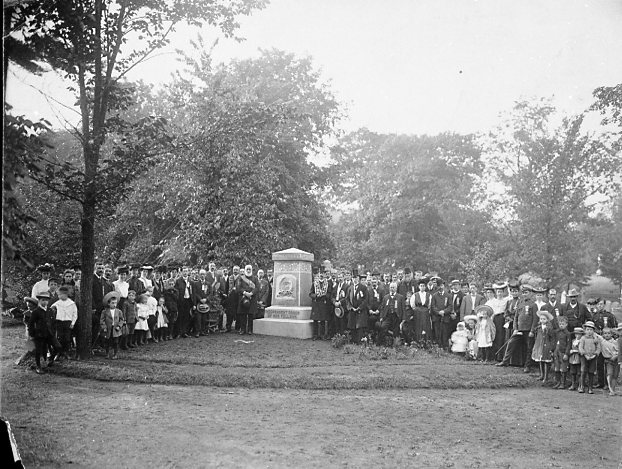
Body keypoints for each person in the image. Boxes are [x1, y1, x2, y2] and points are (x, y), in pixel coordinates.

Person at [497, 284, 536, 372]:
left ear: (530, 293)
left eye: (526, 293)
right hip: (519, 330)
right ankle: (505, 361)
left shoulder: (533, 304)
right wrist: (515, 328)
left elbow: (535, 319)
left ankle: (527, 366)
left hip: (528, 330)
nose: (525, 294)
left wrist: (532, 330)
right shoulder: (520, 304)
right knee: (510, 343)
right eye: (523, 293)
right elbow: (516, 318)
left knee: (529, 348)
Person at [27, 291, 61, 374]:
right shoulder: (36, 312)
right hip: (39, 335)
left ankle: (50, 359)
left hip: (49, 334)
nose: (44, 302)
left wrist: (53, 331)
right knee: (39, 351)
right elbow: (30, 324)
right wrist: (32, 334)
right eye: (42, 300)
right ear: (39, 301)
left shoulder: (50, 310)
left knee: (58, 347)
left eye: (46, 300)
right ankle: (38, 366)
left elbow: (53, 323)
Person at [50, 285, 77, 360]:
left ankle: (66, 352)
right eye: (58, 295)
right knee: (59, 338)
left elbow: (75, 314)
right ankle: (59, 352)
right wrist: (53, 311)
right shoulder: (57, 303)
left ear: (65, 294)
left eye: (60, 295)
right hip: (59, 322)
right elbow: (51, 309)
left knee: (67, 338)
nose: (58, 296)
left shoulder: (71, 303)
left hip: (68, 322)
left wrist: (73, 323)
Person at [376, 282, 406, 346]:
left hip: (397, 316)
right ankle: (381, 343)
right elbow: (382, 308)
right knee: (383, 327)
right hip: (388, 316)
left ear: (396, 288)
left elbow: (403, 309)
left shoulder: (400, 297)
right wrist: (381, 317)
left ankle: (395, 344)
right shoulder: (386, 297)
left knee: (396, 329)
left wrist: (403, 319)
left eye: (393, 287)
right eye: (391, 287)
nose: (392, 289)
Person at [531, 310, 555, 384]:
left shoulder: (549, 328)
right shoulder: (538, 328)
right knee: (540, 360)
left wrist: (551, 347)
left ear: (547, 320)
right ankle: (541, 375)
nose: (542, 320)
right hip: (539, 345)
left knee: (546, 361)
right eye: (541, 319)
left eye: (544, 319)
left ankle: (546, 377)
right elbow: (537, 337)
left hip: (546, 345)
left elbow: (552, 338)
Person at [100, 291, 125, 359]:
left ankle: (115, 354)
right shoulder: (104, 312)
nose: (114, 305)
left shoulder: (119, 311)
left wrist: (119, 326)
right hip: (108, 329)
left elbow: (122, 320)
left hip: (116, 329)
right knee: (107, 341)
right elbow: (102, 320)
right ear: (108, 303)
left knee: (116, 342)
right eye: (112, 303)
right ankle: (107, 353)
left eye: (115, 303)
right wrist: (104, 327)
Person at [578, 321, 601, 394]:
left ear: (593, 331)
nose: (589, 332)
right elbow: (580, 347)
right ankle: (582, 386)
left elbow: (598, 348)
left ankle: (590, 387)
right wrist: (585, 354)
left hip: (593, 357)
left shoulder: (596, 339)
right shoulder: (583, 338)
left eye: (591, 330)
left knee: (591, 372)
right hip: (584, 357)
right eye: (587, 330)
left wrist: (595, 354)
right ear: (585, 330)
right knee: (583, 371)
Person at [14, 296, 38, 366]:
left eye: (31, 306)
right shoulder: (27, 313)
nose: (29, 308)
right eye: (28, 306)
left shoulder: (37, 313)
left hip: (36, 329)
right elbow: (25, 322)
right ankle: (29, 354)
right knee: (29, 340)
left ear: (34, 306)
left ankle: (37, 354)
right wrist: (29, 326)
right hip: (29, 329)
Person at [346, 272, 369, 343]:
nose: (355, 280)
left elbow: (366, 299)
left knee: (359, 326)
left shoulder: (363, 288)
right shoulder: (350, 288)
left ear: (359, 279)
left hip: (360, 310)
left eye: (356, 278)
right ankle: (353, 340)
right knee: (352, 325)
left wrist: (359, 307)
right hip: (352, 310)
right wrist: (351, 307)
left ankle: (359, 341)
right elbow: (347, 299)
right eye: (353, 278)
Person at [487, 282, 508, 359]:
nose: (499, 293)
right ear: (496, 293)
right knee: (494, 335)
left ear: (503, 292)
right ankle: (493, 356)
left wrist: (507, 285)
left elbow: (510, 296)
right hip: (495, 318)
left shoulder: (506, 300)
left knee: (501, 336)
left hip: (502, 318)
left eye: (501, 292)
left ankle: (500, 356)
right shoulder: (493, 301)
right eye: (498, 292)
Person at [236, 265, 259, 335]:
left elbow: (257, 288)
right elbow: (238, 287)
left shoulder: (255, 278)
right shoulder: (241, 278)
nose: (248, 271)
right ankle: (243, 329)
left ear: (251, 270)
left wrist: (251, 293)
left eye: (249, 269)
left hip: (252, 298)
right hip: (243, 298)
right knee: (243, 315)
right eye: (247, 269)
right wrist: (245, 293)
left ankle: (250, 330)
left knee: (250, 315)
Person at [309, 268, 331, 340]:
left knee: (322, 320)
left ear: (324, 275)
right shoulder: (314, 284)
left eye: (323, 274)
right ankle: (315, 335)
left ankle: (322, 335)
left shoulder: (328, 284)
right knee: (315, 320)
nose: (321, 276)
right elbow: (310, 294)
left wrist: (324, 295)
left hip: (323, 303)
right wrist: (315, 295)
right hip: (316, 302)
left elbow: (329, 293)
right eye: (320, 274)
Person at [550, 315, 571, 389]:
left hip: (563, 352)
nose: (561, 325)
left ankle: (563, 383)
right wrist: (552, 351)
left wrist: (566, 354)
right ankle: (557, 382)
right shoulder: (556, 332)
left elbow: (569, 344)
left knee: (563, 367)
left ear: (566, 324)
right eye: (560, 324)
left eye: (563, 324)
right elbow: (554, 342)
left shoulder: (568, 334)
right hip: (556, 351)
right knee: (557, 367)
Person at [409, 278, 432, 343]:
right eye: (421, 286)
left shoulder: (428, 295)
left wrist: (426, 309)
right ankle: (418, 341)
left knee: (425, 326)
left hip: (425, 312)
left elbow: (430, 304)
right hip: (417, 313)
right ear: (419, 287)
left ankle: (426, 341)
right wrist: (416, 310)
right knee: (418, 326)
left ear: (425, 287)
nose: (422, 287)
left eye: (423, 286)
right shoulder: (415, 295)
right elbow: (412, 304)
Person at [430, 279, 450, 348]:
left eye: (442, 285)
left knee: (444, 332)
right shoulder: (434, 295)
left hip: (445, 317)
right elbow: (433, 306)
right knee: (437, 332)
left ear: (444, 286)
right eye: (439, 286)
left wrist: (444, 311)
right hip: (437, 317)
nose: (441, 287)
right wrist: (438, 312)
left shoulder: (448, 295)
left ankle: (445, 346)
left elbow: (450, 306)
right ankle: (438, 347)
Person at [599, 328, 619, 396]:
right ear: (603, 335)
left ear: (611, 334)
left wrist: (616, 356)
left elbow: (618, 351)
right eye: (605, 333)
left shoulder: (615, 342)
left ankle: (613, 389)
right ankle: (610, 389)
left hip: (616, 360)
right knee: (609, 374)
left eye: (608, 333)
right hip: (608, 360)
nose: (607, 335)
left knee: (615, 375)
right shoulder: (602, 342)